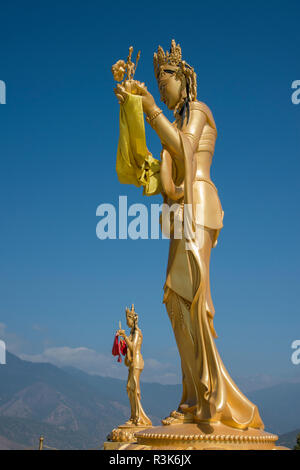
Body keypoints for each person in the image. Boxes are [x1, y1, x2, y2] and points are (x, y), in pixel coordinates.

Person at [114, 40, 263, 430]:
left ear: (184, 79)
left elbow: (187, 150)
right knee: (173, 298)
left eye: (165, 83)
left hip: (199, 204)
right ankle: (193, 395)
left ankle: (211, 396)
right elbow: (161, 165)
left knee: (195, 297)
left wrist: (149, 109)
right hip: (180, 210)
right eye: (157, 85)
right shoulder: (175, 118)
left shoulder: (197, 112)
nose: (161, 90)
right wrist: (132, 109)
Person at [117, 305, 152, 426]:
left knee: (135, 388)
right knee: (129, 387)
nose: (127, 322)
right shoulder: (132, 332)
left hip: (137, 362)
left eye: (128, 319)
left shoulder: (137, 332)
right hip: (132, 362)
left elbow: (133, 347)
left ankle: (139, 417)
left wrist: (125, 337)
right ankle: (133, 415)